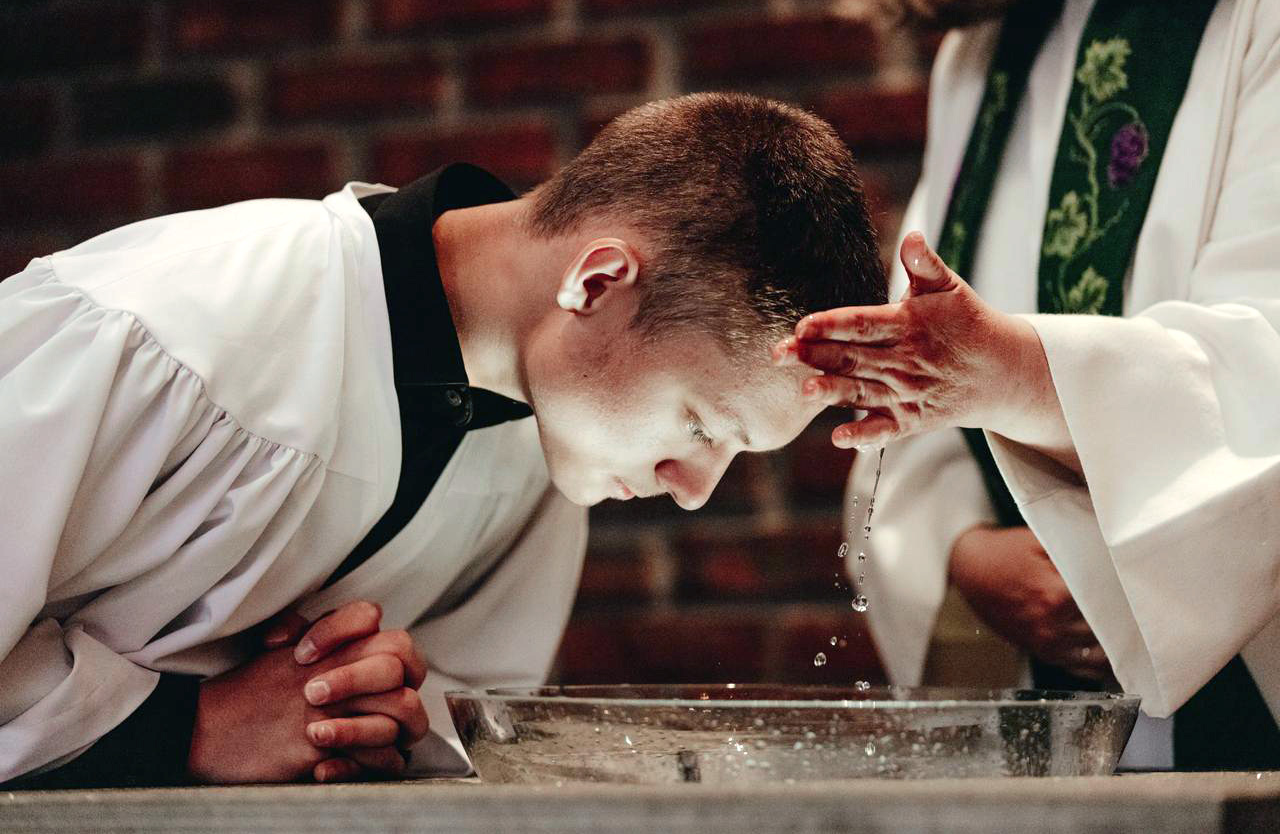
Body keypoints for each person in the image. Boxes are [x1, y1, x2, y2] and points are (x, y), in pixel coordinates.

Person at [0, 92, 888, 787]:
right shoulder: (182, 323)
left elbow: (461, 736)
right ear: (599, 280)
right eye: (700, 423)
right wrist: (185, 728)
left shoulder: (540, 454)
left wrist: (373, 714)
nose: (693, 488)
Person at [779, 0, 1280, 770]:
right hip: (1045, 698)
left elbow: (1268, 354)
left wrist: (1012, 375)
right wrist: (960, 551)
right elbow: (921, 344)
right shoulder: (985, 44)